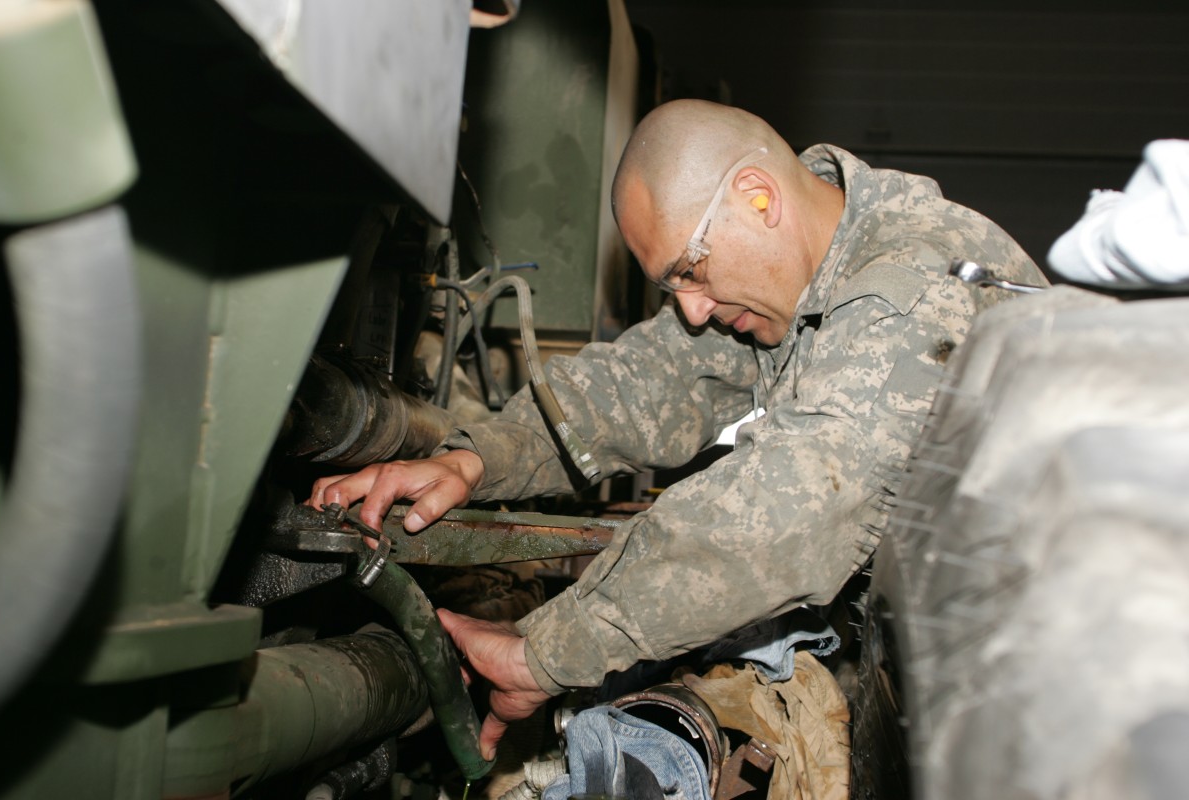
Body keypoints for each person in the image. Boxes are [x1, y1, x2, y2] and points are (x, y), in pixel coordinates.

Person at [310, 99, 1045, 761]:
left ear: (758, 199)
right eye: (674, 286)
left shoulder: (909, 298)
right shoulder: (801, 270)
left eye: (692, 272)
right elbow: (649, 381)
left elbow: (776, 519)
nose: (691, 310)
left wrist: (543, 654)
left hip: (1037, 700)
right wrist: (475, 460)